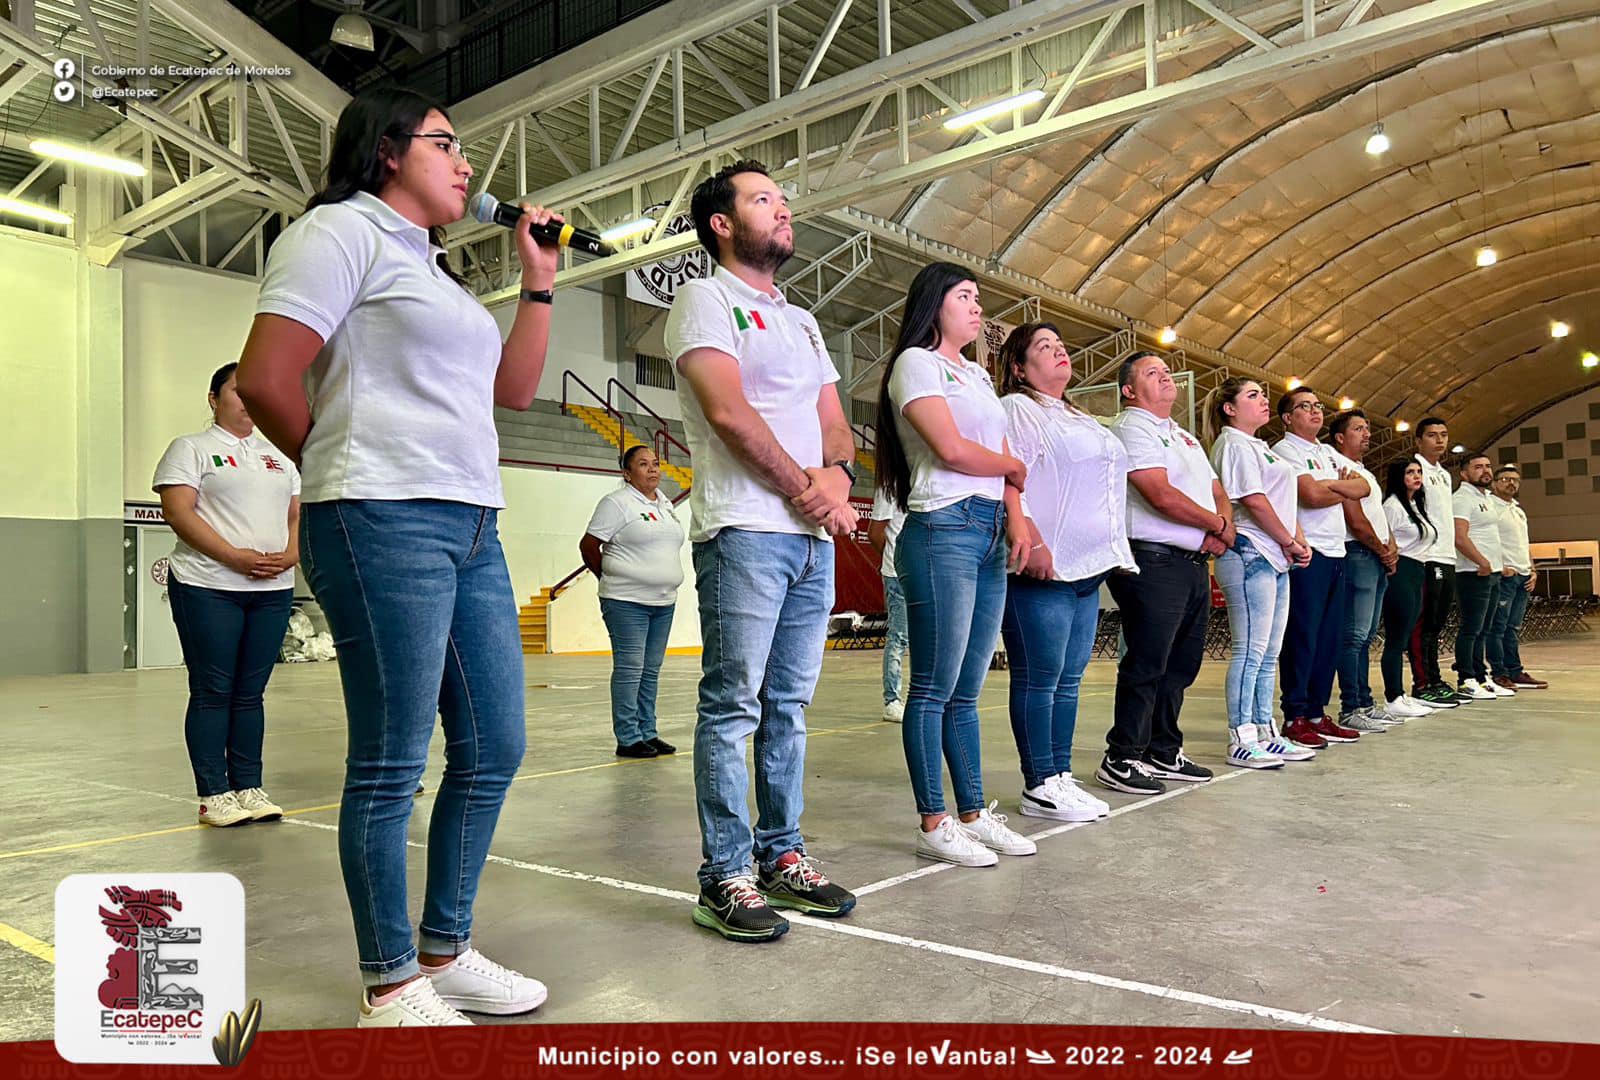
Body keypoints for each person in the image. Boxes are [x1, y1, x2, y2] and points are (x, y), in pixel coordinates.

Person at [237, 87, 550, 1026]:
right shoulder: (338, 234)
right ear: (385, 150)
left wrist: (537, 283)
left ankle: (446, 948)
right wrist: (342, 468)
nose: (466, 164)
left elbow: (518, 392)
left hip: (470, 523)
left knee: (494, 744)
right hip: (380, 518)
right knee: (391, 761)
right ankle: (389, 978)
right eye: (448, 144)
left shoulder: (437, 270)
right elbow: (264, 378)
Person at [664, 160, 858, 942]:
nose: (783, 211)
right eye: (763, 200)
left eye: (782, 200)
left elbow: (835, 424)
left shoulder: (804, 321)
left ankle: (783, 856)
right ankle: (726, 874)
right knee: (734, 704)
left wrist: (835, 480)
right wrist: (804, 488)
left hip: (809, 537)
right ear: (722, 223)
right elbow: (728, 413)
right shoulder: (704, 298)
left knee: (789, 707)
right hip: (745, 528)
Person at [877, 262, 1037, 867]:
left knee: (967, 692)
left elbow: (998, 455)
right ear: (933, 303)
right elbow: (950, 448)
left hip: (989, 528)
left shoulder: (975, 374)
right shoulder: (917, 364)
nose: (977, 308)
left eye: (979, 298)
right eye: (965, 297)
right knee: (932, 688)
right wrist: (1012, 471)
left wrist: (1016, 515)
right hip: (943, 527)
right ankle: (933, 820)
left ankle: (972, 813)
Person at [154, 362, 300, 828]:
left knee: (250, 692)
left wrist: (291, 555)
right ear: (214, 399)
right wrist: (233, 557)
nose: (247, 401)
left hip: (271, 589)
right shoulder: (191, 449)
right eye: (237, 392)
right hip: (207, 585)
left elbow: (298, 515)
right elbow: (179, 511)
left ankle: (249, 787)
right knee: (214, 689)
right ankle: (213, 793)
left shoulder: (280, 455)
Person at [996, 322, 1122, 820]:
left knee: (1069, 679)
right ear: (1019, 368)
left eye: (1061, 346)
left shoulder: (1079, 416)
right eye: (1044, 348)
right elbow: (1012, 478)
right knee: (1039, 677)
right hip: (1044, 565)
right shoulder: (1017, 409)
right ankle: (1038, 782)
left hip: (1088, 567)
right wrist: (1033, 537)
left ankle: (1059, 776)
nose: (1059, 352)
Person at [1095, 353, 1223, 795]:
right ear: (1129, 390)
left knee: (1181, 664)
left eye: (1167, 371)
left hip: (1189, 562)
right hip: (1151, 560)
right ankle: (1122, 755)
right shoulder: (1131, 427)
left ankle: (1163, 750)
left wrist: (1221, 526)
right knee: (1148, 660)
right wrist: (1217, 524)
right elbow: (1158, 494)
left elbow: (1216, 490)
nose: (1165, 375)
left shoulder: (1183, 437)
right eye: (1152, 372)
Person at [1202, 378, 1315, 769]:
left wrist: (1297, 539)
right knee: (1249, 650)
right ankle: (1241, 736)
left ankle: (1266, 731)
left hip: (1277, 555)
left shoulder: (1260, 447)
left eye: (1263, 395)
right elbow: (1253, 500)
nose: (1263, 400)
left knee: (1270, 653)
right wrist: (1288, 539)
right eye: (1252, 396)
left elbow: (1286, 501)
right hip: (1251, 553)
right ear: (1230, 408)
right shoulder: (1231, 444)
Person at [1271, 388, 1370, 748]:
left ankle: (1316, 712)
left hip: (1337, 551)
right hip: (1307, 553)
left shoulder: (1326, 453)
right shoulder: (1284, 451)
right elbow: (1309, 497)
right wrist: (1342, 488)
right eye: (1304, 407)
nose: (1314, 412)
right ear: (1287, 417)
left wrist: (1334, 486)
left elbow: (1363, 486)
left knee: (1329, 638)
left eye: (1317, 406)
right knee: (1303, 637)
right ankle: (1295, 714)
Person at [580, 444, 685, 758]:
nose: (653, 469)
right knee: (630, 669)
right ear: (626, 473)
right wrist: (612, 578)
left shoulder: (665, 504)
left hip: (664, 601)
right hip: (626, 601)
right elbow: (588, 546)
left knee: (650, 670)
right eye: (643, 464)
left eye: (655, 463)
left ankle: (648, 731)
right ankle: (628, 737)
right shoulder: (617, 503)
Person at [1327, 410, 1400, 731]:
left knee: (1368, 634)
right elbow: (1354, 519)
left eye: (1368, 428)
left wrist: (1391, 544)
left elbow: (1376, 515)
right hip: (1359, 554)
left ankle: (1367, 702)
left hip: (1376, 555)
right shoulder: (1338, 464)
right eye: (1358, 429)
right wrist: (1382, 550)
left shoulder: (1363, 471)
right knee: (1354, 636)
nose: (1367, 433)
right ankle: (1351, 705)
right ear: (1340, 437)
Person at [1379, 460, 1448, 717]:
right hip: (1401, 570)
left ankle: (1401, 694)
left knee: (1408, 633)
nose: (1416, 476)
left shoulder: (1417, 506)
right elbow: (1385, 539)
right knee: (1397, 638)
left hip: (1419, 569)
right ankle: (1393, 695)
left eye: (1418, 472)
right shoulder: (1392, 506)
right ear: (1399, 477)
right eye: (1410, 472)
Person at [1408, 419, 1469, 706]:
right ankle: (1422, 683)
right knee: (1423, 623)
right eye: (1432, 435)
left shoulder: (1444, 474)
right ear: (1419, 441)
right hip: (1427, 557)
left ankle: (1435, 678)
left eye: (1444, 435)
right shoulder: (1415, 469)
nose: (1439, 440)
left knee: (1437, 624)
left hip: (1447, 556)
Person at [1451, 453, 1507, 700]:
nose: (1485, 470)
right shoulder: (1462, 498)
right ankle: (1466, 678)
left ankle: (1482, 677)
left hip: (1492, 572)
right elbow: (1459, 536)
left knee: (1484, 629)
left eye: (1487, 466)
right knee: (1471, 628)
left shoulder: (1487, 498)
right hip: (1473, 572)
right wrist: (1481, 561)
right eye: (1477, 467)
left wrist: (1497, 564)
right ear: (1464, 473)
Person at [1486, 465, 1546, 691]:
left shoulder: (1518, 510)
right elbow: (1485, 540)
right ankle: (1499, 673)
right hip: (1505, 577)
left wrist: (1533, 570)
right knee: (1498, 627)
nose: (1511, 483)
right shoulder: (1490, 507)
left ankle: (1515, 670)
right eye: (1505, 479)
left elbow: (1524, 543)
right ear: (1495, 483)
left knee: (1513, 628)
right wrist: (1500, 567)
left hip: (1523, 577)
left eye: (1515, 480)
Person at [868, 484, 908, 723]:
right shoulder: (890, 487)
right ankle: (892, 700)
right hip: (897, 573)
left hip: (919, 572)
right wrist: (892, 559)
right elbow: (875, 533)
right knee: (899, 637)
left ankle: (915, 698)